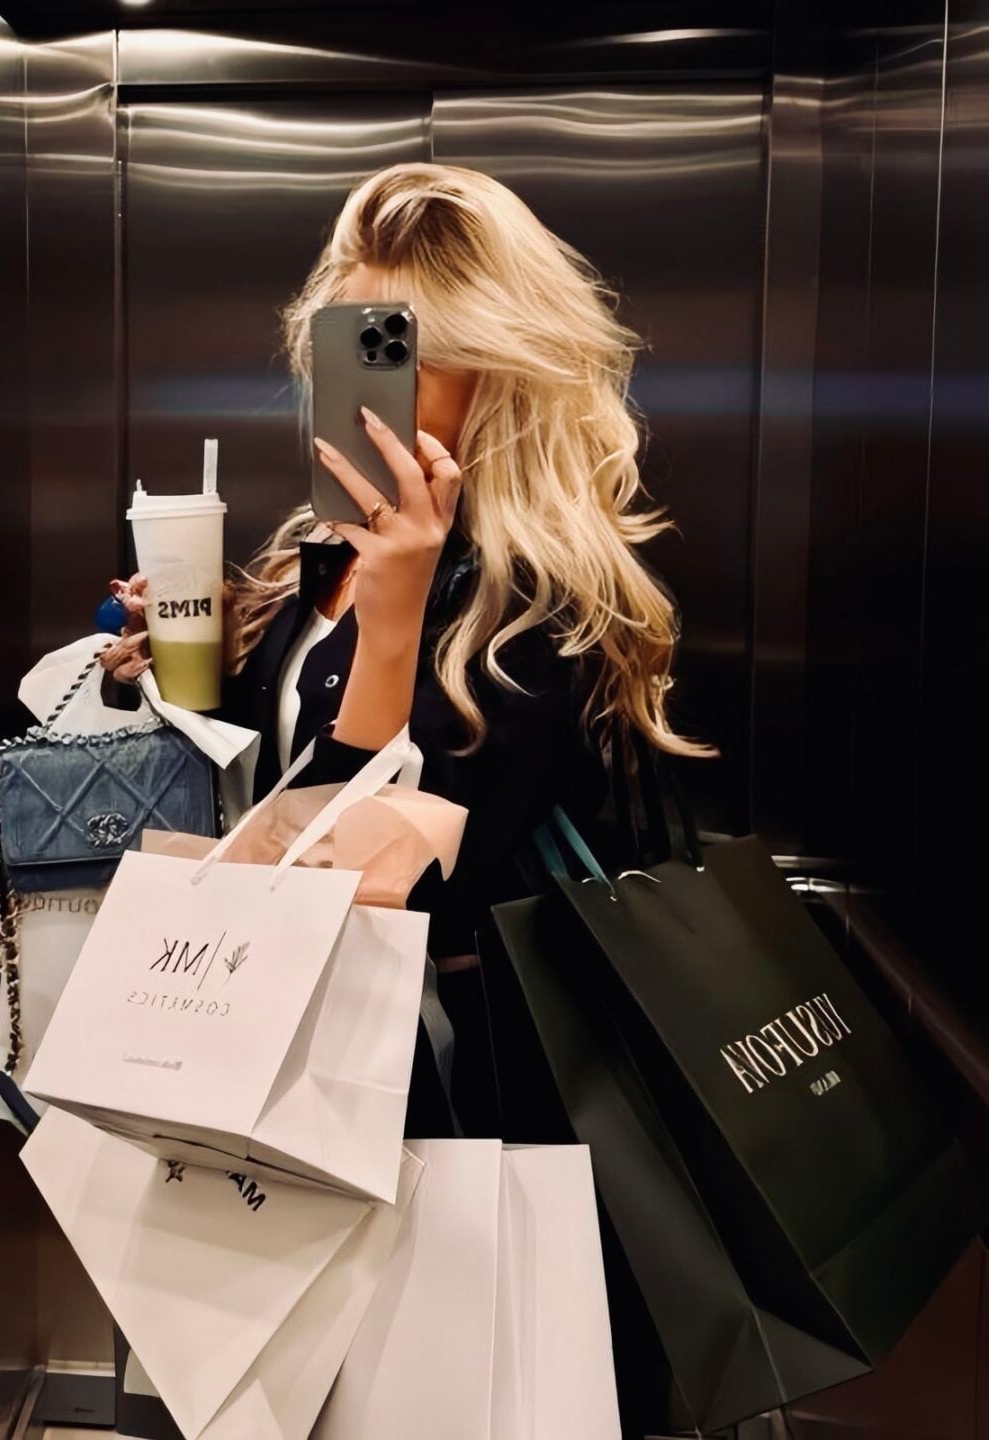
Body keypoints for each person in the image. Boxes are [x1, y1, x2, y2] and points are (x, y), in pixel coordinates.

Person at [103, 161, 716, 1134]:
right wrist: (197, 669)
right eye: (352, 346)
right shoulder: (312, 558)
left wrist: (393, 617)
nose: (364, 389)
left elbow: (385, 887)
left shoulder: (542, 616)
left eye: (403, 354)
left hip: (443, 1097)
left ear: (496, 376)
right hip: (263, 1050)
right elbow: (268, 799)